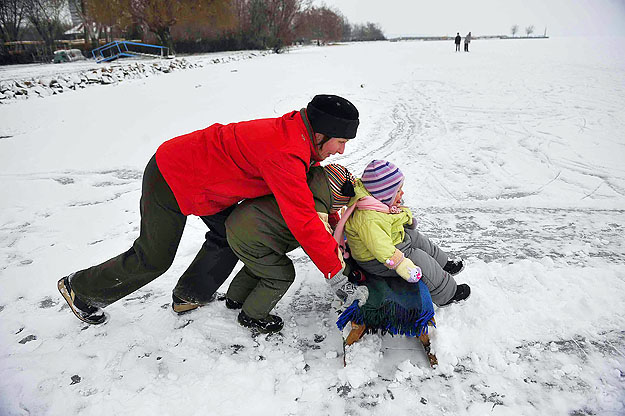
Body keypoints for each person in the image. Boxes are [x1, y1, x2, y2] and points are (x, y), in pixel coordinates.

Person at [57, 94, 366, 326]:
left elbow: (313, 205)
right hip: (172, 175)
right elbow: (303, 219)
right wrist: (335, 272)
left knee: (229, 231)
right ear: (320, 134)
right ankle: (81, 289)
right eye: (340, 141)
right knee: (154, 258)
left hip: (206, 183)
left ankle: (191, 294)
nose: (341, 151)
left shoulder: (297, 137)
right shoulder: (286, 152)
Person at [223, 164, 366, 333]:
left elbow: (330, 220)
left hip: (241, 225)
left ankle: (234, 299)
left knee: (260, 266)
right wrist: (342, 278)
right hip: (254, 236)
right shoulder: (312, 212)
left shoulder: (307, 186)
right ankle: (252, 316)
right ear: (335, 199)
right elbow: (321, 248)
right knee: (281, 274)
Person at [335, 160, 470, 307]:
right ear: (384, 193)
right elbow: (381, 248)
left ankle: (444, 265)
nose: (402, 193)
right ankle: (447, 294)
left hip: (390, 242)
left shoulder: (374, 202)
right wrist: (401, 264)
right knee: (418, 257)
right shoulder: (368, 218)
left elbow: (387, 220)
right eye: (398, 191)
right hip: (375, 259)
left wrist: (405, 218)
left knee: (415, 237)